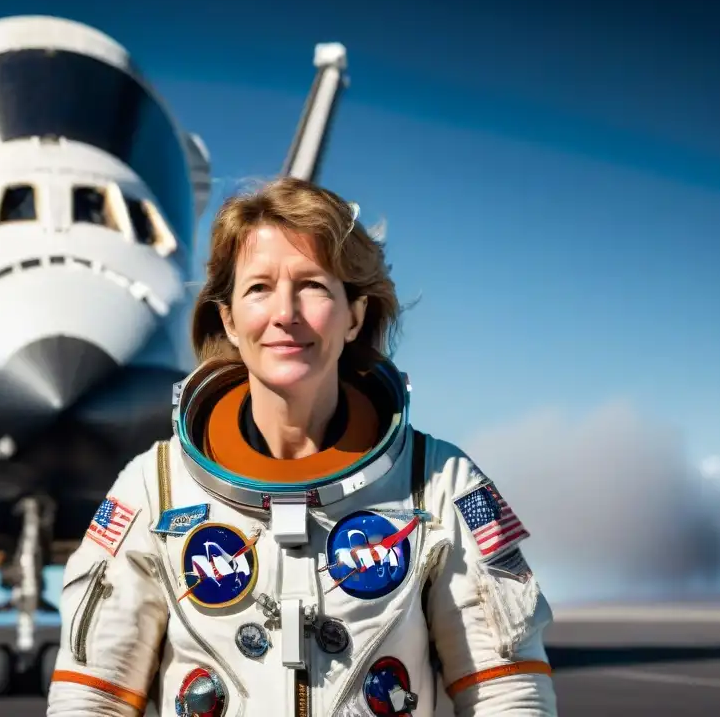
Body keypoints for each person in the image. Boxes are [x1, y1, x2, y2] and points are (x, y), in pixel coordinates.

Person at [46, 177, 558, 716]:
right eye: (259, 288)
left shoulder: (439, 484)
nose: (285, 313)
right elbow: (90, 698)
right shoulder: (155, 490)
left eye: (313, 285)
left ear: (354, 314)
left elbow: (508, 693)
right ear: (229, 319)